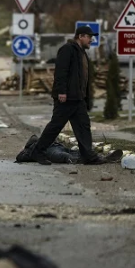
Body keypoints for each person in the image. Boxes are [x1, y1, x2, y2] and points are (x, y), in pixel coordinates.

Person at [30, 25, 105, 166]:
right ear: (81, 36)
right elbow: (61, 72)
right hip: (67, 97)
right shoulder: (68, 49)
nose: (91, 40)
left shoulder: (81, 52)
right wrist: (61, 92)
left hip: (78, 98)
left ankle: (88, 156)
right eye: (89, 37)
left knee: (83, 126)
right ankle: (37, 151)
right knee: (56, 126)